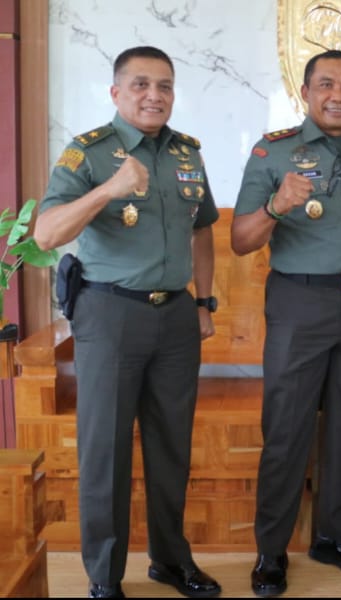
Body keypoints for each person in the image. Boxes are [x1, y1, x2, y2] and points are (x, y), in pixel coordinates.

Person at [34, 46, 222, 599]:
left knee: (171, 446)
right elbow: (45, 235)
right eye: (140, 84)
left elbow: (203, 228)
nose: (154, 95)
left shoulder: (187, 153)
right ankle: (104, 576)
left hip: (176, 318)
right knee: (106, 450)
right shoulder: (88, 152)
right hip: (110, 314)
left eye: (164, 85)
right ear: (116, 93)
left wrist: (205, 303)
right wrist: (108, 190)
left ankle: (169, 559)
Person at [231, 49, 341, 597]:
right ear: (304, 93)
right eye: (326, 84)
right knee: (286, 431)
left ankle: (334, 536)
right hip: (298, 305)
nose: (338, 94)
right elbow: (241, 241)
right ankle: (271, 551)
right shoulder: (272, 153)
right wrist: (278, 205)